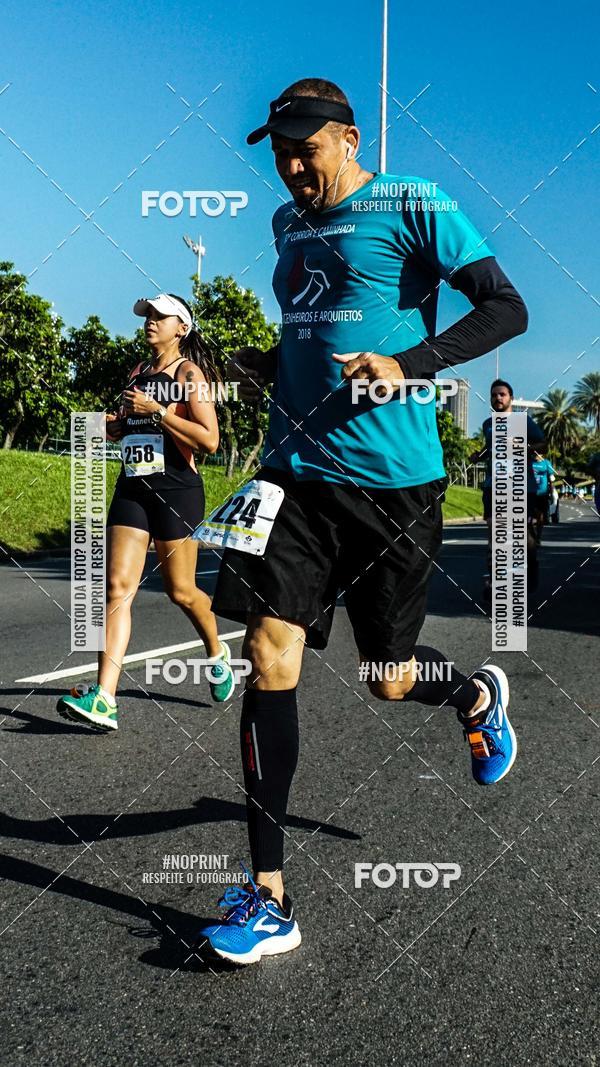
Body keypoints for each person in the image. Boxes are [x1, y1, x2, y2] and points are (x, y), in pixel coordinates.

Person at [197, 78, 528, 965]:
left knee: (385, 675)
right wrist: (249, 363)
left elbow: (507, 305)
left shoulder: (413, 202)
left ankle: (471, 693)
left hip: (393, 483)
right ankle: (267, 895)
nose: (291, 166)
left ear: (348, 138)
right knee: (270, 651)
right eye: (279, 151)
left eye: (306, 149)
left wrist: (408, 363)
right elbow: (304, 335)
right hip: (295, 473)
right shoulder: (284, 223)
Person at [57, 294, 235, 731]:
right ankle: (105, 699)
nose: (150, 322)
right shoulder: (138, 373)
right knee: (116, 587)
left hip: (176, 490)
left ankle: (217, 652)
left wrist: (158, 412)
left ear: (182, 328)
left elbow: (209, 441)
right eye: (148, 316)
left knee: (182, 592)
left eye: (160, 316)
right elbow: (127, 427)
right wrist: (113, 426)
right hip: (132, 487)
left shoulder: (189, 374)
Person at [471, 381, 544, 594]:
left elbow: (542, 444)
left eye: (502, 394)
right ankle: (495, 581)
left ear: (511, 397)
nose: (498, 398)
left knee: (524, 536)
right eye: (494, 395)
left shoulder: (524, 421)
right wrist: (478, 456)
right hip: (493, 486)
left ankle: (528, 571)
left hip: (521, 486)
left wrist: (521, 445)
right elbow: (489, 448)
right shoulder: (488, 424)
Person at [531, 450, 556, 539]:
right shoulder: (528, 462)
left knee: (540, 516)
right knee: (529, 516)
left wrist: (552, 493)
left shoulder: (546, 463)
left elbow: (551, 479)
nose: (536, 455)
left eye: (538, 454)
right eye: (534, 454)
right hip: (530, 493)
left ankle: (538, 536)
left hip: (542, 493)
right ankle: (532, 534)